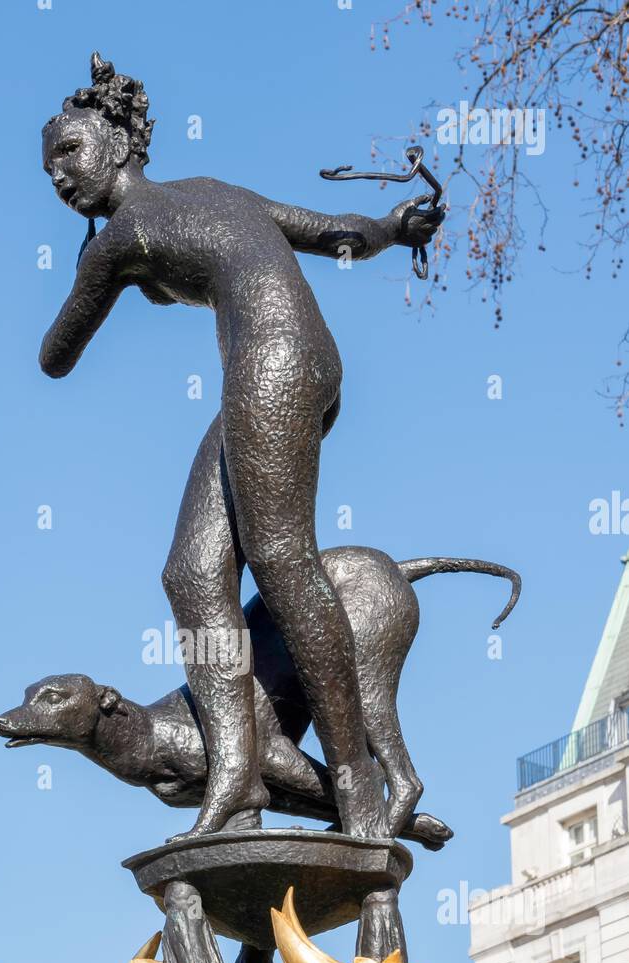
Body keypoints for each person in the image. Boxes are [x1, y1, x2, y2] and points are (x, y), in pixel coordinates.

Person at [39, 53, 443, 840]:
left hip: (275, 361)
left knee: (282, 559)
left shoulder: (121, 233)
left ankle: (355, 781)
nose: (58, 176)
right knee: (191, 573)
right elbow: (332, 233)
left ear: (118, 147)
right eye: (49, 164)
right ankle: (235, 776)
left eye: (70, 153)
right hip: (278, 367)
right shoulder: (214, 193)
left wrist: (91, 271)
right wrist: (394, 229)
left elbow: (56, 355)